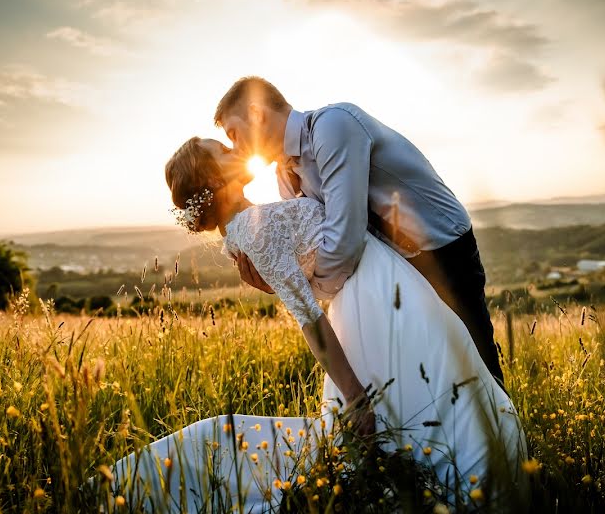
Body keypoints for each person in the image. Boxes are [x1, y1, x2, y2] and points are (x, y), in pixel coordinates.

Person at [88, 137, 526, 513]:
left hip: (374, 292)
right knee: (424, 400)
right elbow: (309, 320)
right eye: (220, 148)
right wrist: (354, 397)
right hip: (371, 301)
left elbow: (311, 277)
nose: (232, 147)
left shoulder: (248, 225)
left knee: (429, 396)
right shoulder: (253, 230)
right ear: (213, 177)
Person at [214, 76, 506, 388]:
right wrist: (282, 278)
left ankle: (502, 433)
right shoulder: (285, 176)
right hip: (389, 269)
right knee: (431, 370)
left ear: (257, 114)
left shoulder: (333, 126)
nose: (237, 148)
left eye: (234, 134)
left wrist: (296, 284)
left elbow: (342, 244)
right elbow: (315, 247)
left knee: (477, 360)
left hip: (439, 251)